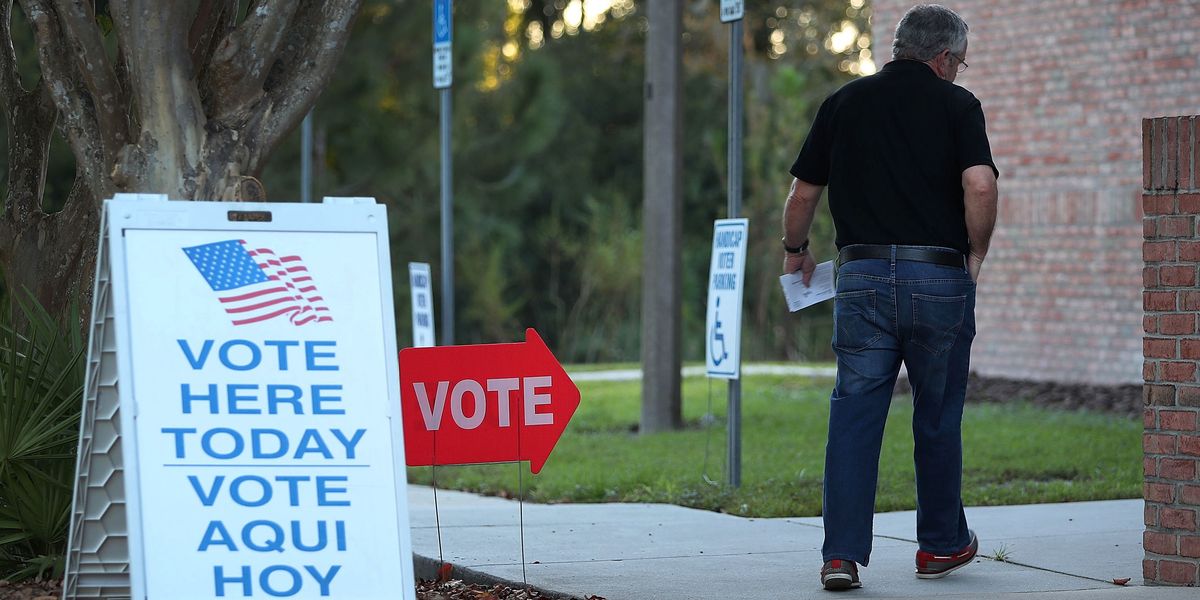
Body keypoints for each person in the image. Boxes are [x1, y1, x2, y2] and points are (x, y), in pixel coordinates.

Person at [780, 4, 999, 591]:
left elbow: (802, 194)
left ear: (900, 47)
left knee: (855, 410)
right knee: (937, 412)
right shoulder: (958, 105)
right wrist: (975, 254)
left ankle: (840, 556)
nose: (959, 70)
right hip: (939, 279)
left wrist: (793, 249)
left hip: (863, 278)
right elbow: (979, 183)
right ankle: (940, 547)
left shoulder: (843, 103)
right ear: (943, 58)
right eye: (960, 61)